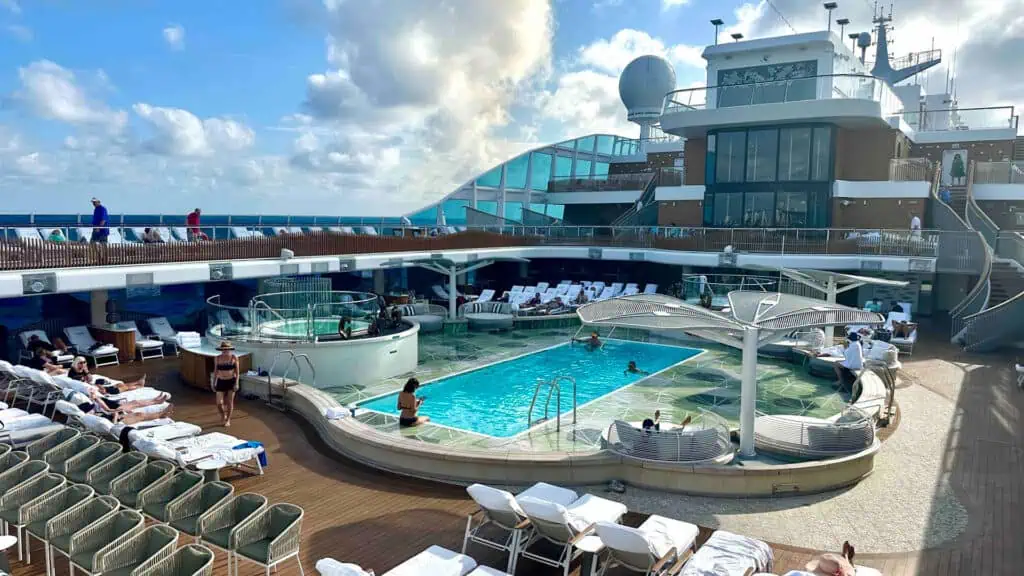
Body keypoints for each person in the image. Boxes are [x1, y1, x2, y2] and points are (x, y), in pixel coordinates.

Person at [67, 356, 146, 391]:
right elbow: (82, 382)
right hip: (91, 388)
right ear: (77, 363)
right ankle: (138, 385)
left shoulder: (82, 369)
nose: (83, 364)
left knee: (119, 385)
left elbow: (90, 379)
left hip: (92, 386)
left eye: (84, 362)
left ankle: (137, 383)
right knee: (118, 387)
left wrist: (86, 371)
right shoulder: (73, 371)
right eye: (81, 363)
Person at [211, 341, 239, 427]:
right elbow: (215, 371)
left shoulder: (234, 358)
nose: (225, 351)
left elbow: (237, 373)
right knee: (219, 403)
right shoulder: (217, 358)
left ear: (230, 349)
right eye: (223, 349)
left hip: (231, 381)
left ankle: (228, 419)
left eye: (227, 349)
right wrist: (213, 383)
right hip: (221, 381)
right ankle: (223, 415)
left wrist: (236, 384)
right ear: (221, 350)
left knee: (230, 402)